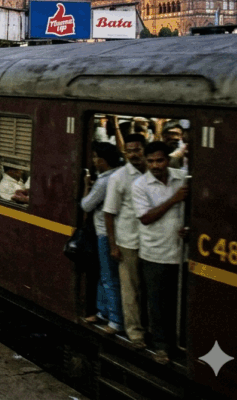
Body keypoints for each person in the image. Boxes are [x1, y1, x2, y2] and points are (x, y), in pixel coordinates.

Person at [132, 141, 188, 365]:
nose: (155, 165)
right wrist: (173, 200)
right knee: (157, 303)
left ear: (168, 160)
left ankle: (179, 344)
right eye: (151, 161)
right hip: (154, 252)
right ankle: (161, 347)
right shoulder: (140, 185)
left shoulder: (181, 178)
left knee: (178, 301)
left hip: (181, 252)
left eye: (160, 160)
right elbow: (145, 217)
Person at [102, 133, 148, 349]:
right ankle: (135, 333)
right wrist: (113, 245)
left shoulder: (156, 170)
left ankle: (148, 328)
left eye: (137, 150)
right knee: (131, 290)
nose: (133, 155)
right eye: (129, 151)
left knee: (148, 289)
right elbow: (109, 213)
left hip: (153, 242)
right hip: (128, 241)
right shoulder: (118, 177)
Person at [80, 143, 122, 335]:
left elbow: (87, 205)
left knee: (107, 276)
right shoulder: (121, 174)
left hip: (105, 233)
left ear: (103, 161)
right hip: (117, 233)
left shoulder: (104, 181)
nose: (94, 161)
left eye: (96, 157)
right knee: (106, 275)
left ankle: (114, 320)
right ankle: (103, 311)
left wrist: (86, 187)